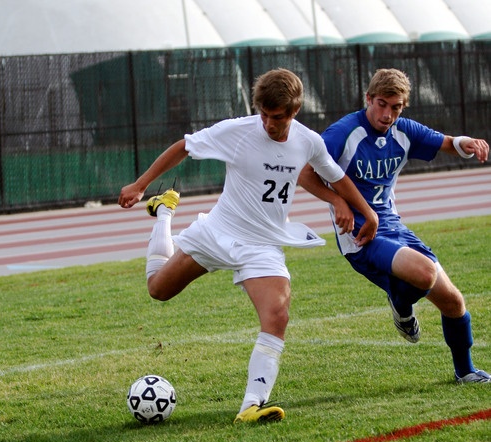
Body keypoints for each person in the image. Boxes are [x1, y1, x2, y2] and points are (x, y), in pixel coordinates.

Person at [118, 68, 379, 423]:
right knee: (158, 290)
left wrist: (361, 210)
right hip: (218, 233)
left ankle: (251, 405)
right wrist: (140, 184)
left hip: (263, 245)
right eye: (265, 115)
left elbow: (337, 177)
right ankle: (164, 212)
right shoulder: (238, 131)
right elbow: (184, 146)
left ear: (295, 111)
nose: (270, 124)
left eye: (279, 117)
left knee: (277, 315)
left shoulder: (308, 141)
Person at [299, 68, 490, 383]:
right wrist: (338, 202)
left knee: (453, 301)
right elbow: (306, 173)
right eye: (382, 104)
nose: (387, 114)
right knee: (425, 272)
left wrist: (467, 142)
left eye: (396, 107)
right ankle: (401, 305)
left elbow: (447, 142)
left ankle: (465, 370)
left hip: (393, 226)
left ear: (404, 107)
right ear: (369, 99)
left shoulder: (404, 131)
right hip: (360, 236)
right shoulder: (343, 133)